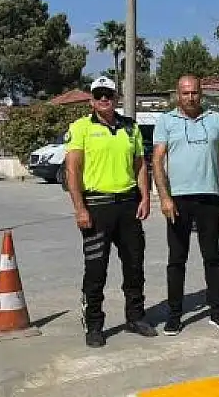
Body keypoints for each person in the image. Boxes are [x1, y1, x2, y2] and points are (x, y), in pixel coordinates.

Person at [64, 76, 155, 348]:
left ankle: (135, 316)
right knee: (96, 269)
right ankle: (94, 324)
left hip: (128, 205)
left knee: (134, 265)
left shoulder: (130, 127)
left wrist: (145, 197)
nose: (104, 99)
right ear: (92, 100)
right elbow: (73, 170)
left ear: (116, 97)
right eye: (99, 94)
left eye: (109, 94)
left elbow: (140, 165)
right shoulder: (81, 128)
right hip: (97, 206)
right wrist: (79, 208)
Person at [151, 74, 219, 335]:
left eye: (195, 93)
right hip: (178, 199)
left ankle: (217, 311)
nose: (190, 97)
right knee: (177, 259)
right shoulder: (166, 121)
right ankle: (175, 315)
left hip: (210, 197)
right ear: (178, 94)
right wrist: (164, 197)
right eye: (185, 93)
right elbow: (156, 161)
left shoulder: (216, 119)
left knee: (212, 257)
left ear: (201, 93)